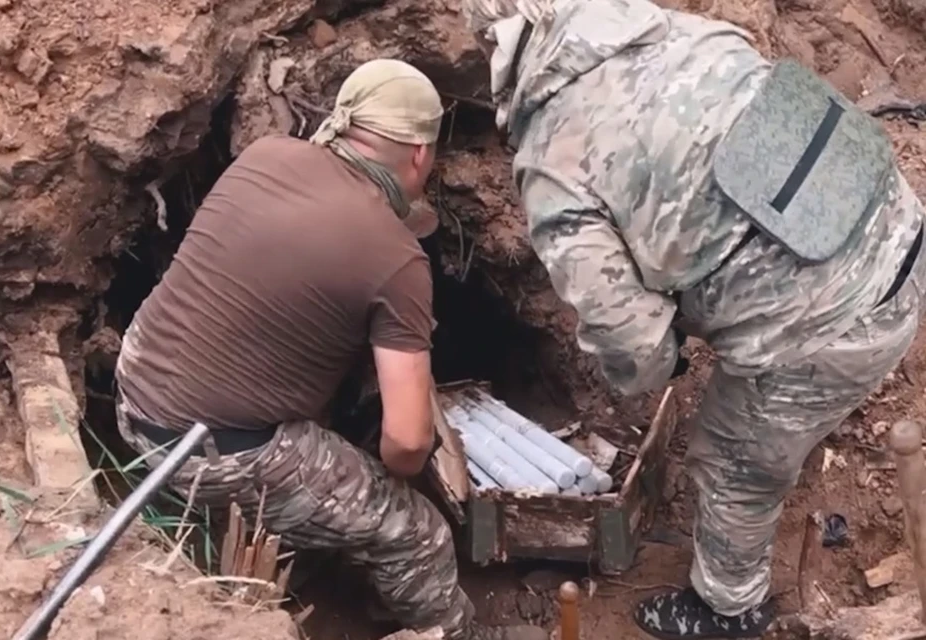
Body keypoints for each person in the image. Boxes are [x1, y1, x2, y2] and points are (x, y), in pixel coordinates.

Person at [459, 0, 926, 637]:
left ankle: (729, 608)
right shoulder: (685, 33)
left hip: (835, 328)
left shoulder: (553, 164)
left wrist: (661, 361)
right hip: (902, 228)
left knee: (732, 459)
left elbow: (629, 339)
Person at [113, 59, 546, 640]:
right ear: (420, 154)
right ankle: (453, 632)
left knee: (333, 431)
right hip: (209, 454)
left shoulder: (266, 154)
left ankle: (313, 545)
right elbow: (408, 442)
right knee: (415, 531)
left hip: (134, 391)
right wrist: (405, 476)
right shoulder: (396, 259)